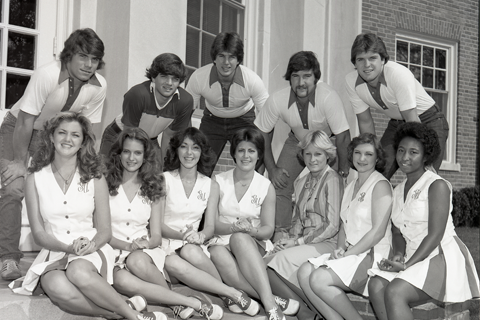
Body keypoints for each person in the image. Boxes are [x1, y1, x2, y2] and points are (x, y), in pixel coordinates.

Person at [10, 112, 164, 320]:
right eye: (62, 133)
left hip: (92, 249)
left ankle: (132, 316)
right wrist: (66, 248)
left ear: (83, 142)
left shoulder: (95, 178)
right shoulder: (35, 179)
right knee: (55, 286)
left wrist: (91, 245)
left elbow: (104, 230)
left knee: (78, 272)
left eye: (75, 135)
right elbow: (38, 233)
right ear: (51, 137)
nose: (68, 139)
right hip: (54, 252)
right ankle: (120, 313)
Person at [0, 28, 107, 281]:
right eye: (83, 56)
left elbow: (86, 128)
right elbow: (26, 120)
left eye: (94, 59)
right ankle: (8, 259)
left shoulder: (99, 86)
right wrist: (19, 162)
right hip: (19, 128)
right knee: (14, 188)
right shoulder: (47, 74)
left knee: (71, 187)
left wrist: (87, 162)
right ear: (68, 56)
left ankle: (70, 252)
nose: (88, 64)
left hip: (56, 136)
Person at [105, 127, 222, 320]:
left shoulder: (151, 186)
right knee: (120, 280)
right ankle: (188, 303)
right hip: (113, 250)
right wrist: (129, 245)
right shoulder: (105, 184)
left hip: (143, 250)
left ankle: (221, 296)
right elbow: (101, 230)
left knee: (138, 260)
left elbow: (155, 235)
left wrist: (145, 244)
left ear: (145, 156)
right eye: (126, 151)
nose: (131, 158)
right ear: (119, 153)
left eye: (137, 153)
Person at [367, 122, 479, 320]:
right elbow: (397, 232)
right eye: (401, 150)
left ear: (426, 156)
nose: (405, 157)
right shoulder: (398, 190)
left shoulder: (437, 185)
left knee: (395, 291)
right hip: (412, 257)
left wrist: (407, 264)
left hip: (440, 256)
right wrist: (399, 255)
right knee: (376, 285)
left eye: (413, 152)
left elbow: (435, 235)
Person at [161, 127, 260, 319]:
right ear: (176, 150)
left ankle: (230, 295)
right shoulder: (163, 179)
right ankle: (230, 294)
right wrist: (183, 235)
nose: (189, 153)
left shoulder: (211, 185)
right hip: (165, 246)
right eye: (184, 147)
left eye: (195, 147)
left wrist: (201, 235)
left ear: (202, 151)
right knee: (176, 260)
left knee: (190, 250)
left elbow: (210, 228)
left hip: (194, 248)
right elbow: (156, 226)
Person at [254, 51, 351, 241]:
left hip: (327, 142)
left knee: (332, 187)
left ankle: (330, 235)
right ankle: (280, 235)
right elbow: (261, 132)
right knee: (279, 183)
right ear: (289, 79)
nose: (301, 82)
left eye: (307, 76)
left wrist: (342, 170)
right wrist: (272, 169)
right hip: (297, 141)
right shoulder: (278, 99)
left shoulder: (328, 97)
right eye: (295, 76)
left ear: (316, 78)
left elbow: (343, 136)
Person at [298, 133, 393, 320]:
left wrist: (347, 254)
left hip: (372, 254)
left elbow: (377, 233)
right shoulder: (350, 186)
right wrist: (340, 249)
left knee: (318, 279)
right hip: (351, 252)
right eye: (357, 153)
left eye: (368, 154)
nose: (362, 158)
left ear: (377, 157)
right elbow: (343, 225)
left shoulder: (380, 185)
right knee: (304, 273)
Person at [208, 128, 299, 320]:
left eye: (251, 151)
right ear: (233, 153)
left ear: (258, 155)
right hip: (222, 241)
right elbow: (213, 225)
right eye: (241, 150)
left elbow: (268, 230)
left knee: (240, 239)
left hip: (253, 244)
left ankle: (270, 308)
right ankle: (271, 300)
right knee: (215, 251)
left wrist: (252, 230)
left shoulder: (266, 186)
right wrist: (233, 228)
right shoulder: (218, 181)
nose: (246, 155)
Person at [345, 33, 449, 179]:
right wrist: (369, 154)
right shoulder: (351, 81)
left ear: (383, 59)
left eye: (372, 58)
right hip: (397, 123)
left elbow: (413, 122)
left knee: (423, 176)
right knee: (375, 174)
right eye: (360, 59)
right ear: (354, 63)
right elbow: (365, 122)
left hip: (427, 121)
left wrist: (422, 157)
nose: (366, 65)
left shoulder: (398, 75)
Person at [265, 130, 344, 320]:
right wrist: (287, 241)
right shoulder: (300, 181)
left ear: (328, 155)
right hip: (304, 243)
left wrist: (298, 242)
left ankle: (305, 314)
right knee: (265, 261)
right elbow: (297, 221)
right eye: (308, 154)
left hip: (328, 242)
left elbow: (333, 225)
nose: (312, 159)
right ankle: (307, 313)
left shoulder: (333, 179)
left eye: (318, 154)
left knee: (279, 261)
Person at [186, 32, 268, 174]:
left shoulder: (252, 80)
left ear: (238, 60)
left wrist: (262, 147)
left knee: (252, 165)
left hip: (244, 120)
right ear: (214, 58)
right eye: (221, 56)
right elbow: (185, 113)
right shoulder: (199, 77)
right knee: (201, 167)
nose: (226, 62)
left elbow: (268, 117)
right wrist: (189, 141)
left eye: (232, 57)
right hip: (212, 121)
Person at [100, 53, 194, 166]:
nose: (169, 83)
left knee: (156, 178)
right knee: (107, 174)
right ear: (154, 77)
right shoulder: (137, 94)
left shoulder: (185, 101)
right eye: (164, 76)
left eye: (175, 79)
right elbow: (130, 133)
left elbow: (169, 137)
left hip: (150, 140)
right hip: (120, 134)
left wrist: (165, 168)